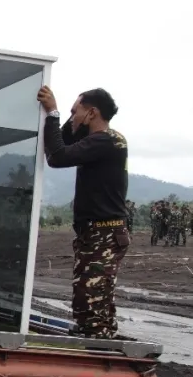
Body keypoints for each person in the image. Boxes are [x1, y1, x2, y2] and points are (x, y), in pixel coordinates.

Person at [38, 85, 129, 339]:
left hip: (104, 234)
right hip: (95, 234)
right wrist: (66, 120)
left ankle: (99, 350)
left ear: (92, 113)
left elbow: (57, 156)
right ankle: (101, 342)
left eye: (75, 111)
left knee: (91, 304)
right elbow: (62, 143)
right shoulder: (97, 141)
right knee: (90, 301)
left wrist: (53, 113)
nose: (72, 117)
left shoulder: (106, 140)